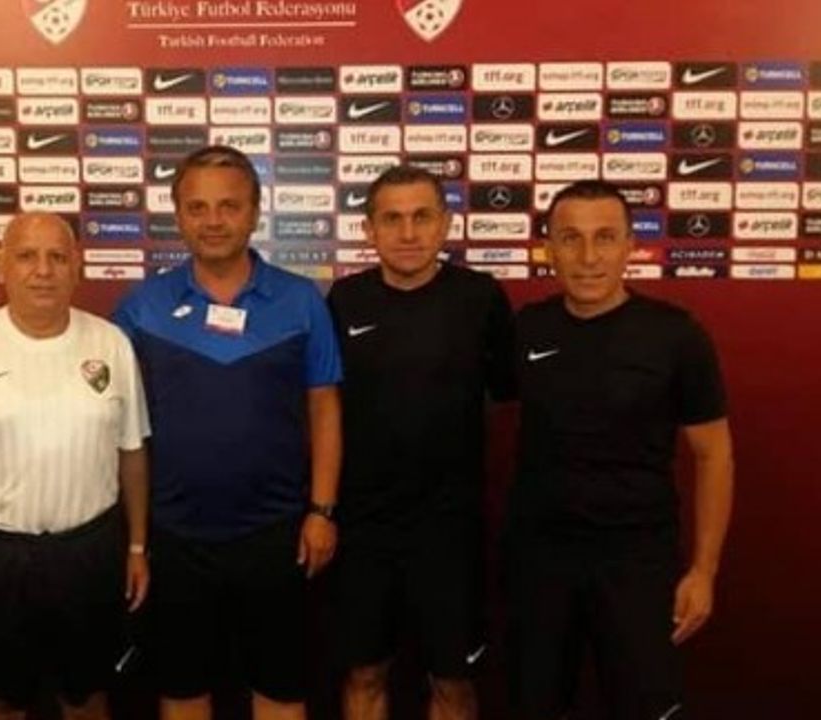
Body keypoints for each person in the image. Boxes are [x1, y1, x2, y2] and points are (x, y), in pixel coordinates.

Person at [113, 145, 343, 720]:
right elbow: (113, 421)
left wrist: (322, 510)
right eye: (197, 207)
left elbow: (324, 408)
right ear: (178, 215)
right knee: (183, 690)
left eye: (229, 206)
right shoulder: (142, 306)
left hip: (277, 534)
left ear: (255, 212)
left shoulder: (301, 300)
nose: (213, 220)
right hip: (176, 537)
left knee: (281, 692)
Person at [507, 179, 735, 720]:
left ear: (631, 245)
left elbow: (714, 456)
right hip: (540, 560)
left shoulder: (676, 335)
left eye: (605, 237)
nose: (588, 257)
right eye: (571, 238)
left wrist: (703, 571)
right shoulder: (525, 329)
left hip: (639, 560)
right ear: (549, 248)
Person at [0, 212, 150, 720]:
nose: (43, 270)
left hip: (88, 551)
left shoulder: (111, 343)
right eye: (26, 256)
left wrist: (136, 546)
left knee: (87, 697)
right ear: (0, 267)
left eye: (57, 257)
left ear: (76, 267)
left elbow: (131, 453)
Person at [326, 166, 515, 720]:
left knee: (453, 682)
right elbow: (323, 408)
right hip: (363, 528)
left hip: (451, 530)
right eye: (392, 219)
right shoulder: (345, 299)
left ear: (445, 225)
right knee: (364, 675)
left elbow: (509, 394)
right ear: (369, 230)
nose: (408, 233)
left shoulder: (481, 298)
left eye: (421, 217)